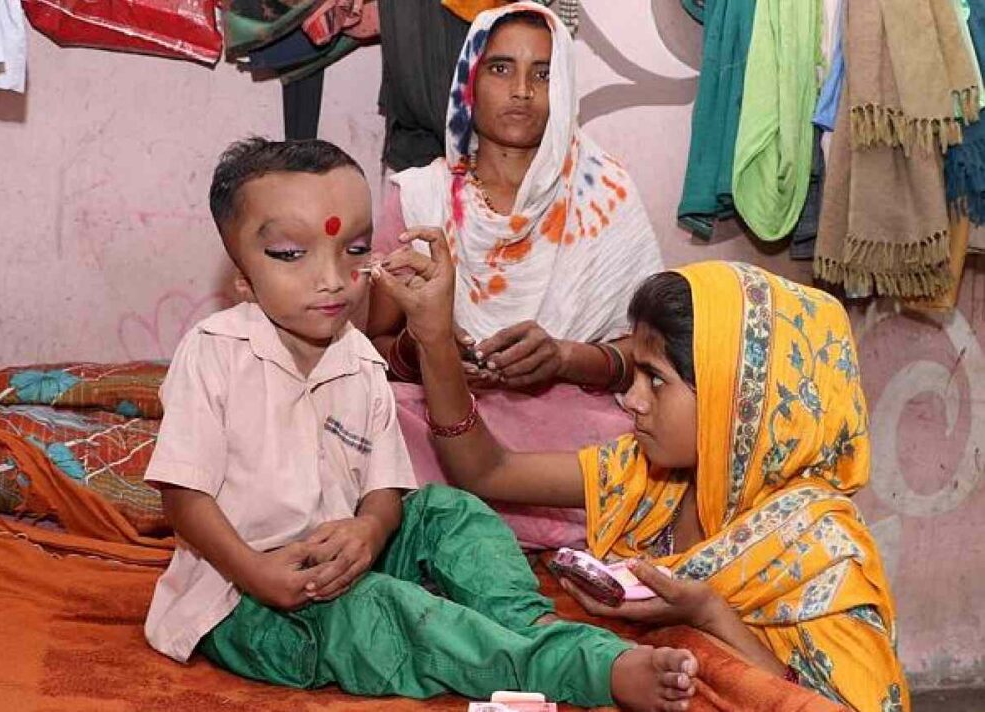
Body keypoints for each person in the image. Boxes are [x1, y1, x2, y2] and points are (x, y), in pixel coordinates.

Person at [142, 137, 700, 711]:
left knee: (449, 511)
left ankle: (525, 624)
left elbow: (385, 490)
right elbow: (183, 498)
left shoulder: (360, 359)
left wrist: (370, 530)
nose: (332, 278)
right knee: (385, 612)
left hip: (348, 553)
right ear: (241, 276)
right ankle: (585, 667)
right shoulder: (213, 351)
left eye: (353, 249)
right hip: (247, 597)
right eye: (292, 254)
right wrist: (257, 573)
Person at [371, 230, 911, 711]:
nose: (630, 400)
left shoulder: (822, 555)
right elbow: (487, 471)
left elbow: (812, 703)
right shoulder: (653, 475)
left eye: (655, 379)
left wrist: (709, 615)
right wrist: (436, 339)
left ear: (735, 400)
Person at [366, 3, 665, 549]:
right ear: (469, 84)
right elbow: (373, 347)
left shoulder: (607, 194)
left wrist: (565, 358)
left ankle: (463, 525)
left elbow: (650, 356)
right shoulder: (418, 196)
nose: (522, 89)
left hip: (565, 413)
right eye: (501, 68)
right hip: (444, 412)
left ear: (566, 86)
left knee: (641, 445)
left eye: (544, 73)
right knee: (375, 418)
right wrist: (433, 354)